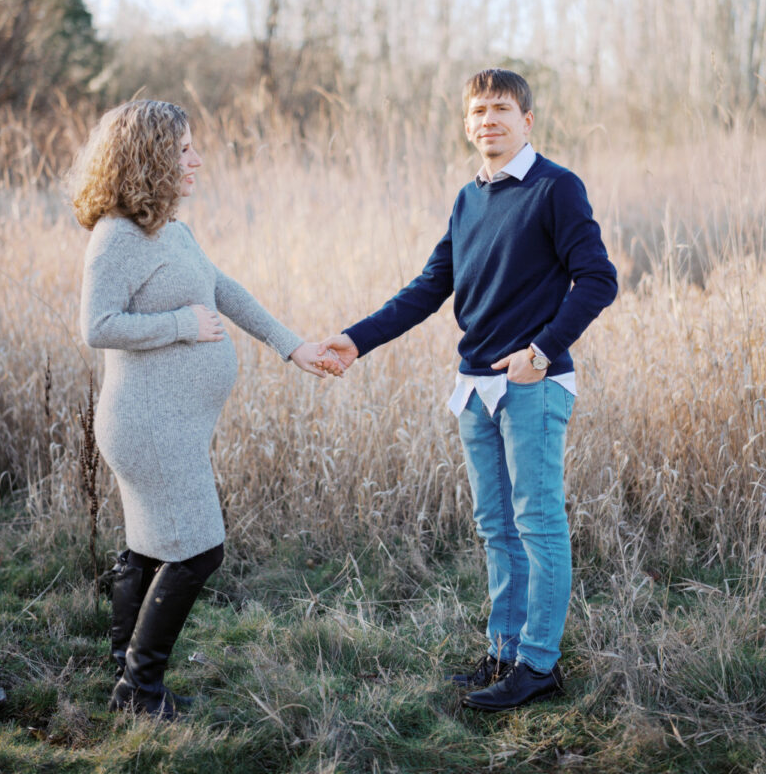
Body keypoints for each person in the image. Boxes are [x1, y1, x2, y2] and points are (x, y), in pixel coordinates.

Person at [317, 69, 617, 711]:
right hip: (473, 389)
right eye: (478, 110)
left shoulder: (555, 188)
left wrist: (541, 351)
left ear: (527, 120)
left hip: (532, 387)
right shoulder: (468, 197)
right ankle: (504, 653)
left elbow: (598, 279)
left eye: (502, 109)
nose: (489, 120)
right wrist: (356, 339)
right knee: (495, 527)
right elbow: (430, 287)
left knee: (538, 523)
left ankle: (539, 665)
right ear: (466, 123)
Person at [71, 100, 342, 720]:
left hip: (175, 426)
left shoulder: (170, 228)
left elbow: (221, 288)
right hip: (146, 426)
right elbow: (97, 326)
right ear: (149, 158)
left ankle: (124, 664)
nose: (196, 159)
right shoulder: (116, 236)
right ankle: (140, 690)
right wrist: (182, 326)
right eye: (184, 148)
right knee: (198, 550)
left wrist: (291, 345)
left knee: (149, 545)